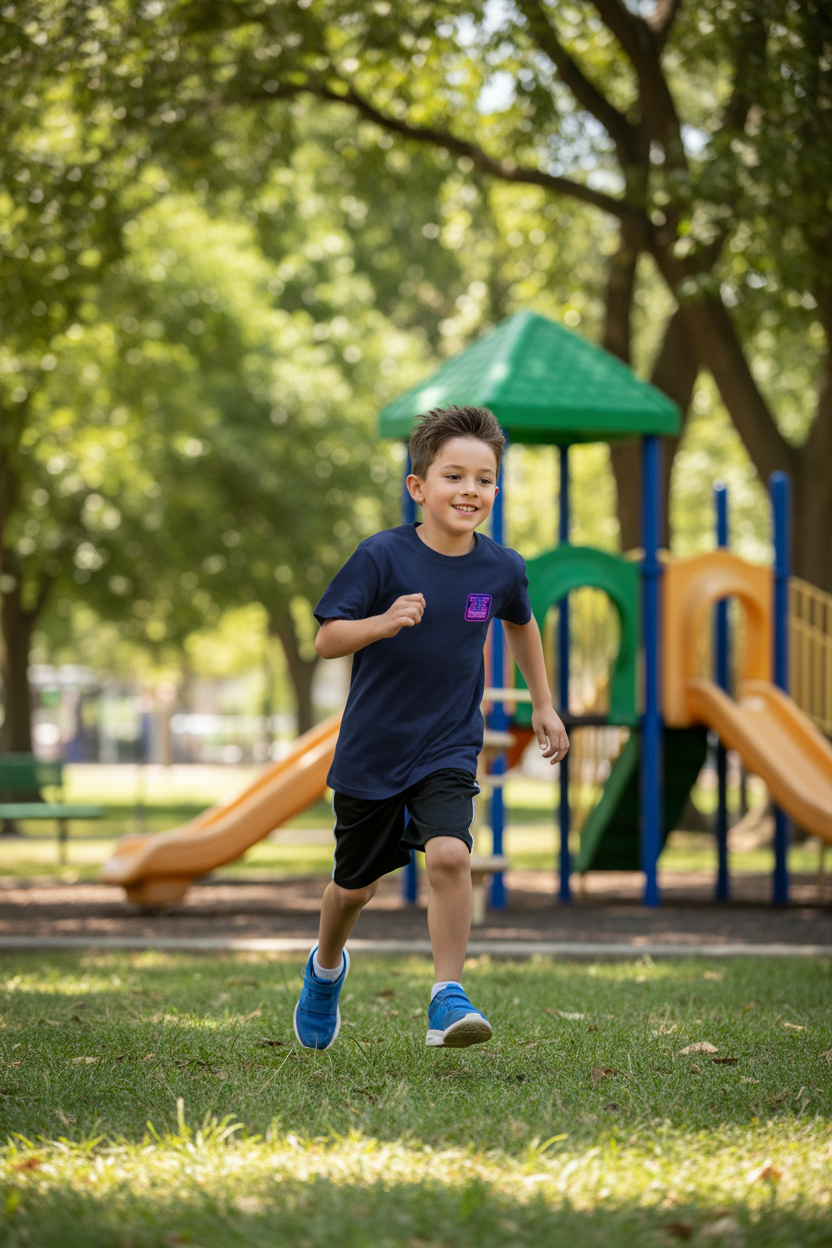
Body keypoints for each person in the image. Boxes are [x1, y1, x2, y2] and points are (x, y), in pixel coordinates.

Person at [293, 405, 569, 1051]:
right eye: (454, 476)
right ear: (419, 487)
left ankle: (447, 997)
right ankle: (326, 968)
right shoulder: (382, 556)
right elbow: (328, 639)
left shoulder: (500, 568)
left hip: (447, 742)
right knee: (353, 890)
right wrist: (382, 623)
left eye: (485, 479)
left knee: (450, 854)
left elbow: (521, 622)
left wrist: (545, 704)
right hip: (372, 749)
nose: (470, 490)